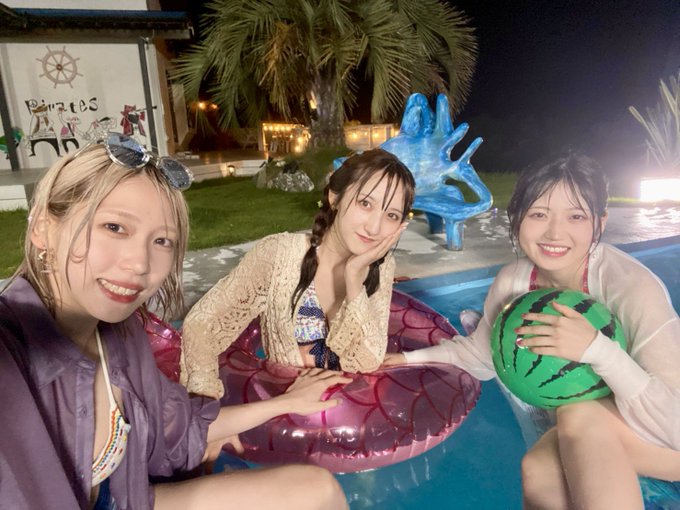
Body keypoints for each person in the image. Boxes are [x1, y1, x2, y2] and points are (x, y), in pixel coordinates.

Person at [0, 135, 349, 510]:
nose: (140, 264)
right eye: (114, 227)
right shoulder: (10, 352)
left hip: (127, 499)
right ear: (42, 228)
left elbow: (179, 429)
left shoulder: (121, 335)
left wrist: (285, 402)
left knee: (316, 490)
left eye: (162, 241)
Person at [384, 154, 680, 509]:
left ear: (600, 222)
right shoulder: (515, 282)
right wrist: (405, 359)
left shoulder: (631, 287)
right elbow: (481, 355)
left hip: (666, 436)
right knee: (538, 468)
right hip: (599, 433)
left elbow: (674, 426)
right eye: (539, 214)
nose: (555, 233)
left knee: (578, 414)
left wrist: (599, 351)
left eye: (575, 216)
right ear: (516, 217)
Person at [181, 148, 415, 399]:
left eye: (391, 215)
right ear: (335, 197)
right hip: (285, 410)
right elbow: (202, 323)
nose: (374, 227)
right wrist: (205, 400)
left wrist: (354, 278)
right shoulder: (279, 255)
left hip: (352, 410)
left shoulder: (380, 266)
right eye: (365, 203)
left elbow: (367, 360)